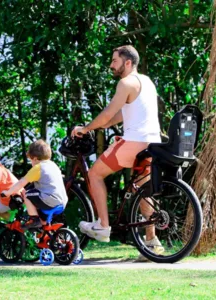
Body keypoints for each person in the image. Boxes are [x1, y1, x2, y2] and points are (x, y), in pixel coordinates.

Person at [72, 45, 164, 258]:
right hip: (153, 144)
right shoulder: (147, 82)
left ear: (128, 62)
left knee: (95, 174)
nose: (111, 65)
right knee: (144, 191)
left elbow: (107, 114)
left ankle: (103, 226)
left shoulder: (125, 83)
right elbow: (121, 115)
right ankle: (152, 241)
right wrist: (102, 125)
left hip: (134, 144)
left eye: (114, 61)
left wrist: (85, 129)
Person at [2, 140, 68, 228]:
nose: (31, 164)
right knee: (38, 203)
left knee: (27, 194)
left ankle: (34, 219)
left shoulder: (38, 168)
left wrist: (8, 192)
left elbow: (21, 183)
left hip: (50, 200)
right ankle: (48, 233)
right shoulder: (53, 165)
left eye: (31, 161)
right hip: (62, 203)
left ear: (35, 158)